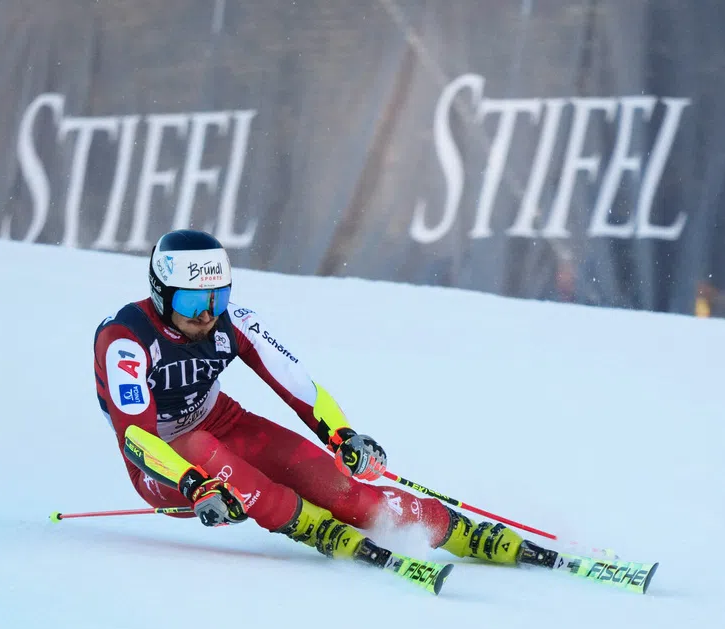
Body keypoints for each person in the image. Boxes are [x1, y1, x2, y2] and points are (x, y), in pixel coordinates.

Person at [93, 229, 523, 566]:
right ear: (161, 294)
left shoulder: (232, 320)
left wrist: (342, 436)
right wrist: (194, 484)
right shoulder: (125, 340)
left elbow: (297, 384)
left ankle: (460, 530)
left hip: (224, 422)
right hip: (161, 463)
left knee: (344, 491)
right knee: (201, 448)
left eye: (216, 297)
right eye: (190, 302)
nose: (206, 315)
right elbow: (136, 437)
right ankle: (311, 527)